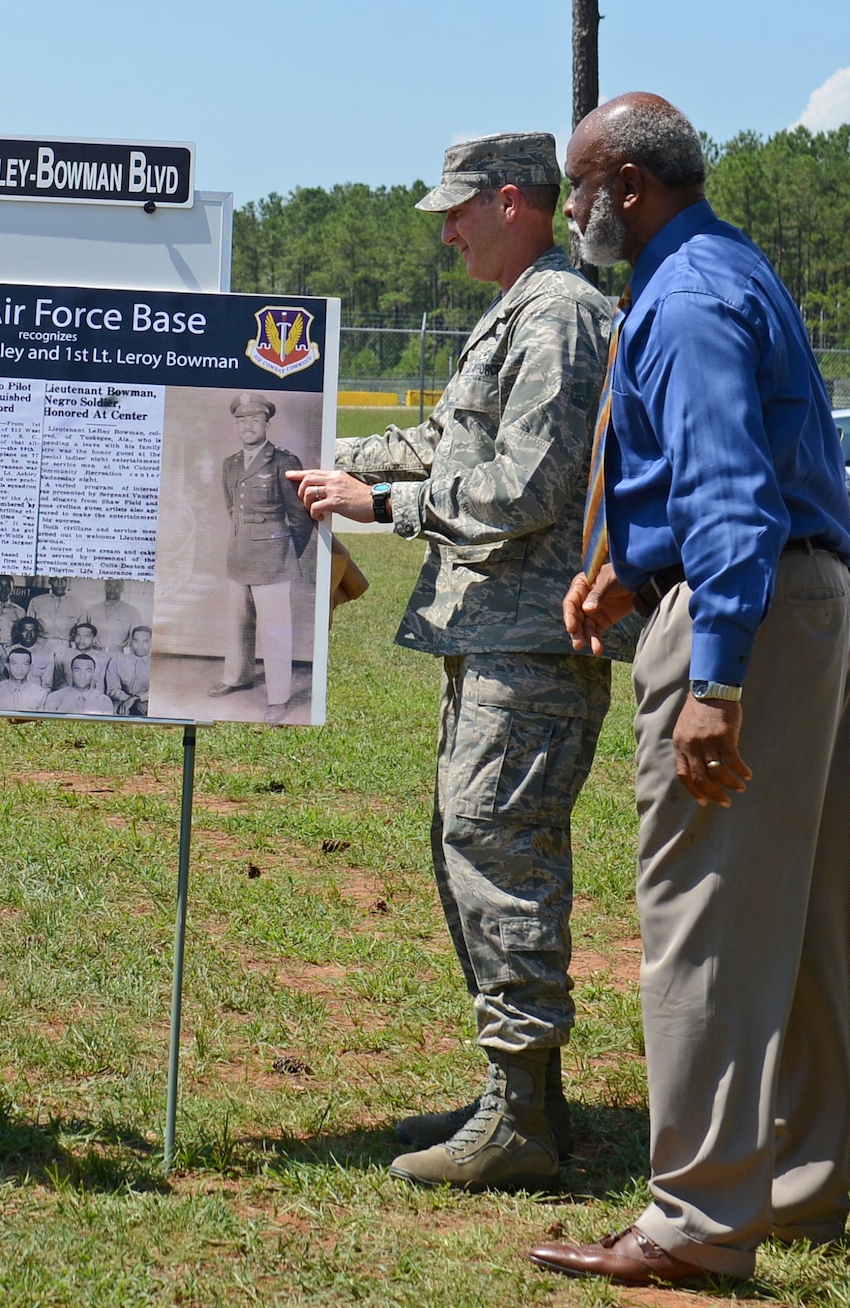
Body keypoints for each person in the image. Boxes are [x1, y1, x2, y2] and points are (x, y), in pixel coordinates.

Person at [530, 93, 850, 1285]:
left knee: (703, 917)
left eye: (578, 188)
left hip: (748, 618)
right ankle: (793, 1180)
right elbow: (741, 472)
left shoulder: (684, 298)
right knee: (790, 915)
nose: (572, 212)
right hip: (800, 602)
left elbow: (732, 498)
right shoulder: (725, 268)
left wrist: (711, 677)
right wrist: (628, 564)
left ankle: (696, 1223)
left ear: (625, 184)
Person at [289, 132, 615, 1192]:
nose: (444, 228)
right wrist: (321, 453)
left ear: (510, 202)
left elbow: (526, 485)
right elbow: (443, 439)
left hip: (529, 640)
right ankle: (521, 1097)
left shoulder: (559, 316)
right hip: (491, 634)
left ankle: (519, 1114)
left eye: (456, 209)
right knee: (468, 845)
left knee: (496, 849)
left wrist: (379, 507)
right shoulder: (516, 310)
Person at [214, 392, 314, 723]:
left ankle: (278, 697)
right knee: (238, 623)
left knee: (275, 629)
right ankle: (236, 677)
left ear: (267, 424)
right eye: (242, 420)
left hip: (273, 556)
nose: (248, 425)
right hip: (239, 553)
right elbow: (232, 510)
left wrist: (286, 552)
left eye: (255, 419)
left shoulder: (284, 462)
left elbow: (300, 519)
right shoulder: (230, 464)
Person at [25, 576, 84, 655]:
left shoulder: (77, 604)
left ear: (68, 582)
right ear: (50, 581)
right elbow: (28, 627)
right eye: (56, 579)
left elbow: (82, 632)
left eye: (63, 579)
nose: (60, 583)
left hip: (66, 649)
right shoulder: (36, 602)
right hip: (40, 647)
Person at [43, 655, 117, 715]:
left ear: (94, 673)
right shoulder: (54, 698)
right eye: (77, 670)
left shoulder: (104, 701)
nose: (82, 675)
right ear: (71, 672)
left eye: (88, 671)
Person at [0, 647, 51, 712]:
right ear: (7, 667)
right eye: (14, 664)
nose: (19, 669)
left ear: (31, 667)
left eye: (25, 664)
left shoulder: (40, 694)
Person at [86, 580, 144, 652]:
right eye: (109, 586)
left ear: (122, 589)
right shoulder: (92, 610)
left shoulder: (132, 612)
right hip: (95, 654)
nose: (112, 590)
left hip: (119, 656)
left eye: (116, 587)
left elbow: (136, 638)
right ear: (105, 587)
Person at [107, 626, 153, 716]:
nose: (140, 646)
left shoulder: (159, 663)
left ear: (151, 642)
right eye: (136, 641)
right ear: (131, 641)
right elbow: (112, 689)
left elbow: (159, 691)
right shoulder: (117, 661)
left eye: (145, 642)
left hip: (148, 705)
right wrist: (133, 702)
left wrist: (138, 698)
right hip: (124, 706)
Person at [9, 616, 59, 693]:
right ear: (18, 632)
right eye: (25, 631)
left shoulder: (47, 654)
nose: (29, 634)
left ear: (37, 633)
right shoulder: (8, 652)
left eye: (32, 631)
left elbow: (47, 685)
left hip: (36, 696)